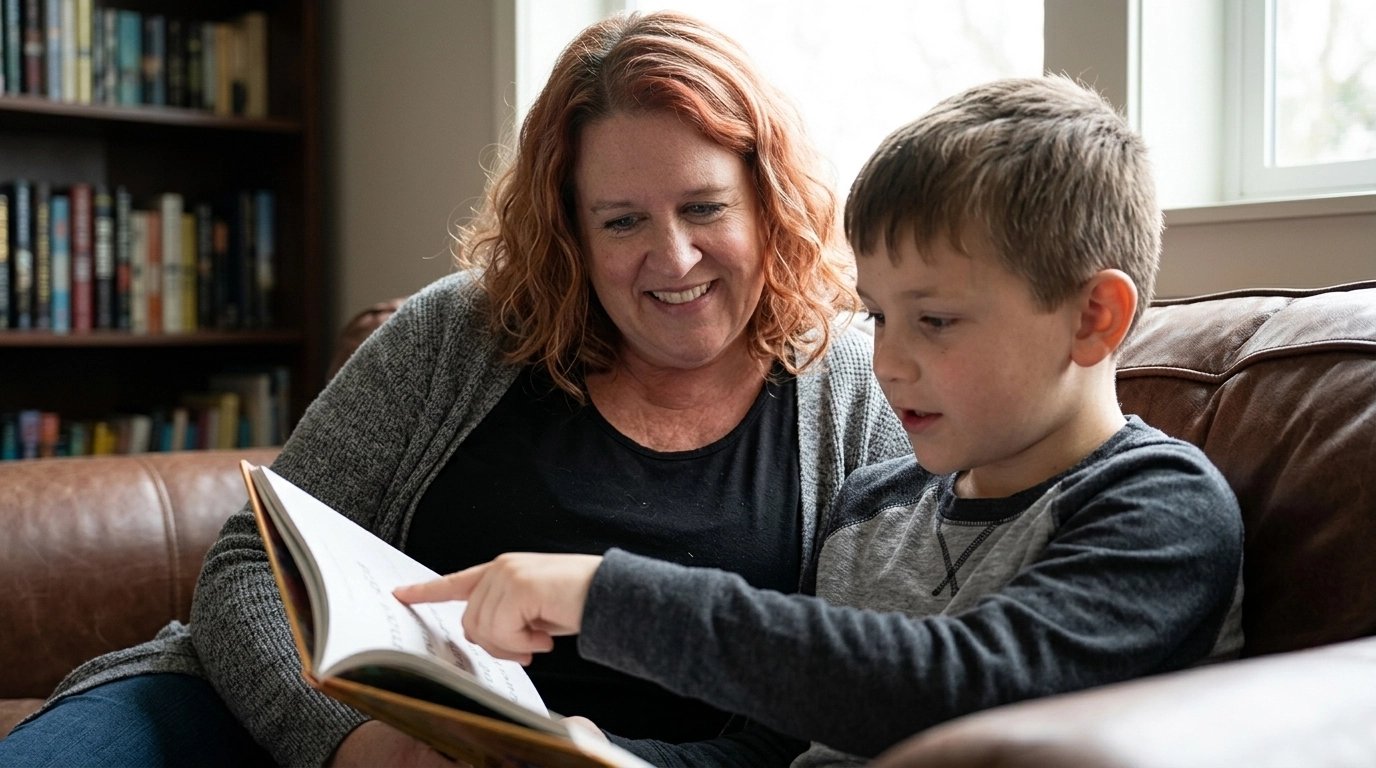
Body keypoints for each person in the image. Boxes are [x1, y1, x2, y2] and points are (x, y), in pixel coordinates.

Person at [0, 12, 907, 768]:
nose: (671, 258)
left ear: (769, 199)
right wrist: (353, 745)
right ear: (571, 233)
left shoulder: (864, 393)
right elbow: (250, 566)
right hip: (270, 726)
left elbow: (841, 705)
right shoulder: (462, 332)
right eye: (621, 220)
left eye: (704, 206)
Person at [394, 77, 1246, 766]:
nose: (888, 363)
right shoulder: (875, 506)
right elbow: (778, 750)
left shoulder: (1160, 508)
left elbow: (959, 694)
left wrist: (603, 594)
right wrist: (595, 754)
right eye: (876, 317)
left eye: (936, 320)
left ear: (1094, 316)